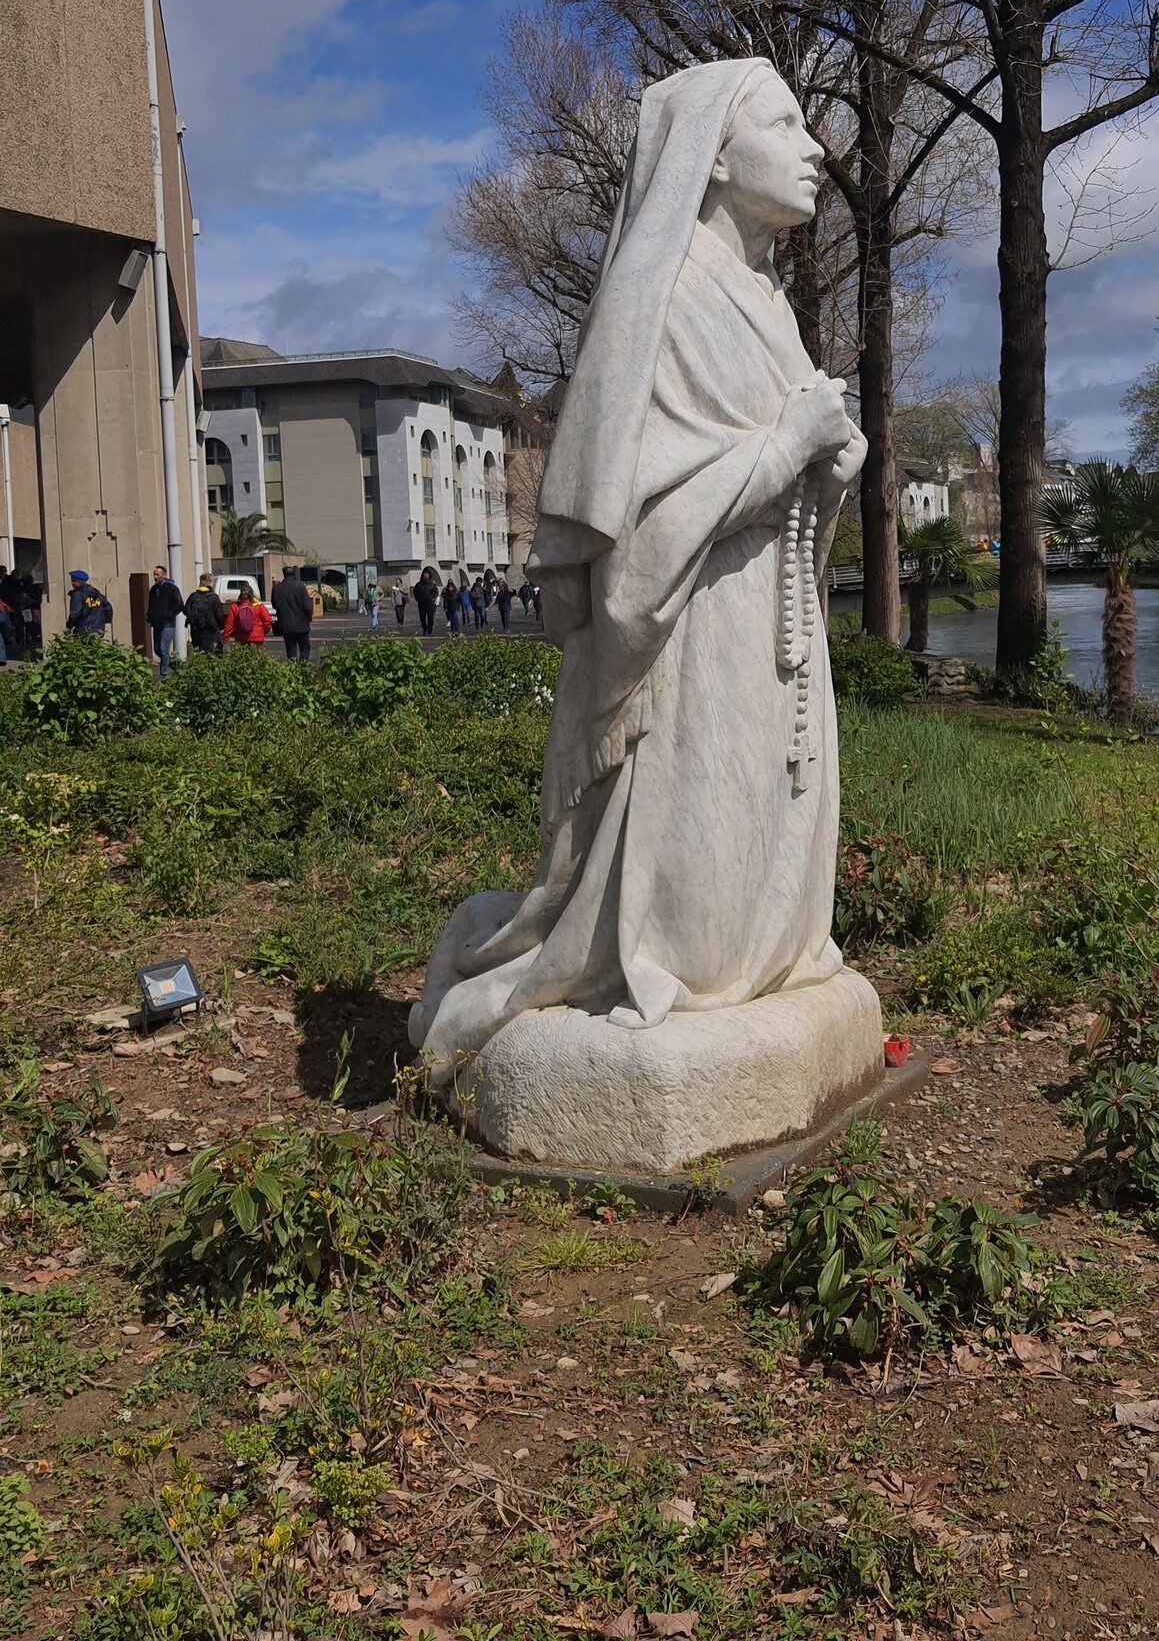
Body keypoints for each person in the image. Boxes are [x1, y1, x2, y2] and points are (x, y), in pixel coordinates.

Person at [410, 57, 864, 1082]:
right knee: (695, 930)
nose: (815, 151)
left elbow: (789, 465)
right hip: (694, 641)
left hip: (773, 627)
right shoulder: (658, 302)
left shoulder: (768, 302)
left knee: (768, 879)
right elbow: (638, 524)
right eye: (786, 126)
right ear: (713, 158)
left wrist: (831, 468)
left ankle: (769, 959)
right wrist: (785, 449)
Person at [146, 564, 185, 677]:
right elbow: (151, 605)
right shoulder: (154, 589)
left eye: (157, 575)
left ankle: (163, 674)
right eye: (154, 574)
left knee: (163, 648)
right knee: (157, 649)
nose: (155, 577)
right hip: (156, 623)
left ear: (163, 575)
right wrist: (150, 616)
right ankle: (171, 662)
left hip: (168, 623)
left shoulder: (172, 588)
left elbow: (179, 605)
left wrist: (169, 614)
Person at [271, 564, 314, 662]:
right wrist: (309, 618)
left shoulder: (277, 588)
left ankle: (292, 667)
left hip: (286, 624)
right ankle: (302, 666)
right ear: (294, 574)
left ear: (283, 574)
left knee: (290, 649)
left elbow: (275, 605)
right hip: (301, 624)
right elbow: (307, 606)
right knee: (305, 647)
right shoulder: (300, 587)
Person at [221, 581, 272, 647]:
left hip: (241, 637)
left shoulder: (235, 606)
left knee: (244, 653)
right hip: (257, 637)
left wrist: (225, 636)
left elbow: (229, 624)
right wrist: (265, 631)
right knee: (257, 653)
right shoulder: (258, 605)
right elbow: (267, 620)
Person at [66, 570, 113, 637]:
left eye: (73, 581)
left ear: (78, 581)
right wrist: (102, 622)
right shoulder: (96, 593)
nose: (72, 583)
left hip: (83, 632)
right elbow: (108, 608)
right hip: (98, 631)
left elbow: (75, 615)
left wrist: (69, 626)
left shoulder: (78, 594)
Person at [184, 574, 223, 655]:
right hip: (211, 630)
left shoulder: (193, 596)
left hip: (196, 630)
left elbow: (186, 610)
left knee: (198, 652)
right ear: (211, 583)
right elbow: (219, 615)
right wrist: (221, 627)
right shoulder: (214, 597)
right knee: (212, 653)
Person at [414, 568, 439, 637]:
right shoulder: (418, 585)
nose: (426, 578)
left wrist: (433, 599)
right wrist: (418, 599)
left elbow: (436, 592)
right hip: (421, 604)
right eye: (424, 577)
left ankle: (430, 631)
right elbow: (415, 592)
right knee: (422, 618)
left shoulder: (432, 584)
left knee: (430, 618)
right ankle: (425, 629)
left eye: (427, 577)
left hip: (430, 604)